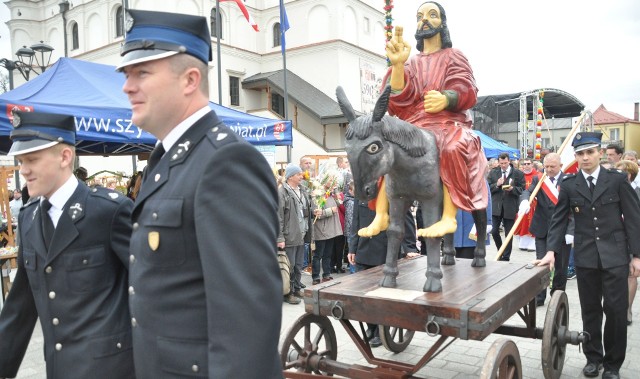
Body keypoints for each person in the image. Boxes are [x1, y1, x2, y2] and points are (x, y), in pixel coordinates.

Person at [118, 10, 282, 378]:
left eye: (142, 73)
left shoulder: (225, 161)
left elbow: (247, 324)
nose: (128, 86)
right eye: (127, 75)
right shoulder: (169, 160)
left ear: (191, 79)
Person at [0, 111, 134, 378]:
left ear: (65, 157)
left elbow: (148, 289)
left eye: (32, 159)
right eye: (21, 160)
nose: (23, 169)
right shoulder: (28, 217)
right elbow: (20, 308)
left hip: (112, 370)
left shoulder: (108, 211)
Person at [368, 1, 488, 239]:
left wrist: (447, 98)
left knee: (452, 147)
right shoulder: (411, 61)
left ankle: (449, 218)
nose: (425, 19)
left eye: (432, 15)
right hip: (415, 124)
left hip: (448, 123)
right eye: (420, 15)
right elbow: (397, 99)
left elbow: (467, 88)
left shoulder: (454, 55)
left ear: (442, 22)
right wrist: (398, 65)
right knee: (387, 147)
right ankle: (381, 213)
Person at [536, 132, 640, 379]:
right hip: (585, 257)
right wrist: (551, 251)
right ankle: (593, 359)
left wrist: (636, 255)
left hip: (615, 256)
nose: (585, 158)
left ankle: (613, 365)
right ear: (575, 157)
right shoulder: (570, 185)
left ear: (599, 153)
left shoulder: (616, 180)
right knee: (590, 310)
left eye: (590, 152)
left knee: (615, 311)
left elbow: (634, 220)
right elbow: (559, 220)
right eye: (580, 154)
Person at [519, 153, 573, 307]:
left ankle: (557, 297)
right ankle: (539, 296)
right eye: (546, 166)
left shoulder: (568, 180)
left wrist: (571, 231)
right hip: (542, 227)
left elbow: (574, 208)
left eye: (552, 167)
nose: (549, 170)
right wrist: (524, 201)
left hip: (562, 231)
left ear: (561, 166)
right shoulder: (539, 178)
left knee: (561, 267)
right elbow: (527, 192)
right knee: (541, 264)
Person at [278, 163, 313, 305]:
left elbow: (306, 209)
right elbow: (278, 216)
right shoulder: (282, 192)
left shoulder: (302, 190)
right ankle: (289, 292)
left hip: (301, 233)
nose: (301, 176)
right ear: (291, 176)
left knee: (299, 265)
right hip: (289, 235)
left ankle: (297, 287)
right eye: (299, 174)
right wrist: (280, 237)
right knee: (290, 266)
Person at [614, 159, 640, 326]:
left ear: (629, 175)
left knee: (631, 274)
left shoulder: (637, 191)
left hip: (633, 237)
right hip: (615, 239)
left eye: (620, 172)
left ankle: (627, 309)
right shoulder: (612, 190)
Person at [487, 153, 525, 261]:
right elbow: (488, 188)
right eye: (501, 163)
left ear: (509, 161)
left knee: (509, 234)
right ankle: (501, 251)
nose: (503, 165)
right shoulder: (493, 173)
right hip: (496, 207)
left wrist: (512, 189)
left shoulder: (517, 173)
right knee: (494, 231)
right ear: (498, 162)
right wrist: (497, 185)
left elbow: (522, 189)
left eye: (505, 163)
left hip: (510, 206)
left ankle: (506, 257)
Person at [311, 171, 343, 285]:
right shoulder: (317, 193)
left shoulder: (330, 193)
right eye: (330, 180)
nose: (333, 182)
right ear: (324, 180)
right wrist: (330, 211)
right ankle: (315, 276)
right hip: (321, 229)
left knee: (328, 254)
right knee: (318, 254)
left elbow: (340, 203)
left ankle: (326, 274)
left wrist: (336, 193)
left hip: (331, 229)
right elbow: (316, 213)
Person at [514, 158, 540, 252]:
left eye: (528, 164)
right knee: (522, 222)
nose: (526, 166)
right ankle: (523, 243)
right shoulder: (520, 176)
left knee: (532, 222)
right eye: (524, 164)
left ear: (532, 165)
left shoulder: (537, 176)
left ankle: (533, 244)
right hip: (522, 202)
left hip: (535, 203)